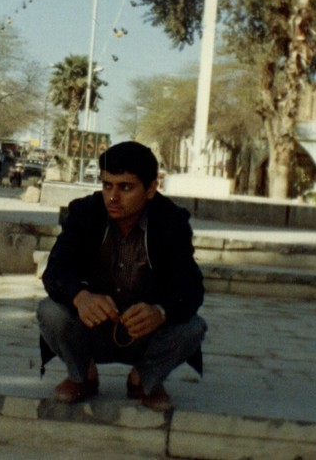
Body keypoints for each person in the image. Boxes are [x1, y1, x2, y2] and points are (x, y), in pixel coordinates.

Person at [37, 141, 206, 411]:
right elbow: (55, 270)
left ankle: (144, 379)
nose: (113, 197)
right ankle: (82, 375)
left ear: (151, 188)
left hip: (145, 333)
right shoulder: (85, 213)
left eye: (125, 187)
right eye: (107, 185)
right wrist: (80, 296)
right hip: (90, 328)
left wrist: (160, 312)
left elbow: (191, 287)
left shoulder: (171, 221)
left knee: (192, 328)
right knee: (50, 312)